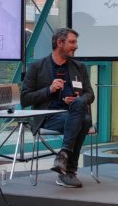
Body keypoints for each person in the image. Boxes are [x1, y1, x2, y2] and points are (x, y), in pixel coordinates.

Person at [20, 28, 95, 188]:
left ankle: (63, 157)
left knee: (81, 111)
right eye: (72, 42)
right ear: (60, 43)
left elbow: (90, 94)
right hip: (48, 117)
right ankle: (69, 170)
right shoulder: (37, 67)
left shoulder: (79, 67)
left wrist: (78, 100)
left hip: (72, 113)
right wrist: (49, 90)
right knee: (85, 120)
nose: (76, 46)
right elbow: (25, 98)